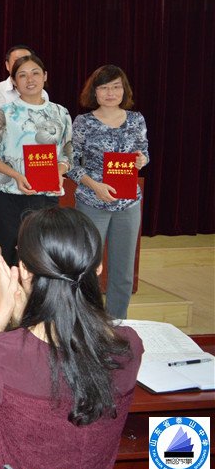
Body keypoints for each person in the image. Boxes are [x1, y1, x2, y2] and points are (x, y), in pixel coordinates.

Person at [0, 207, 144, 469]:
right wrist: (23, 321)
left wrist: (2, 311)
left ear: (24, 270)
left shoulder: (1, 352)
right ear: (98, 267)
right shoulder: (129, 345)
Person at [67, 65, 149, 319]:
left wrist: (142, 160)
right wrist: (95, 186)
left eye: (116, 87)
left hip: (128, 204)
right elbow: (71, 163)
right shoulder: (83, 122)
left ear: (124, 90)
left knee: (123, 271)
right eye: (104, 87)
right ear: (94, 91)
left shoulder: (136, 120)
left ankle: (116, 323)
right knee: (87, 268)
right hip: (92, 201)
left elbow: (143, 152)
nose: (110, 93)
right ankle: (87, 322)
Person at [0, 54, 72, 268]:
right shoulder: (4, 113)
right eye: (22, 75)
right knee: (3, 262)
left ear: (45, 76)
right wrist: (16, 175)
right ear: (14, 81)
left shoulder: (61, 113)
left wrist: (58, 171)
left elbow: (67, 155)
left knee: (41, 261)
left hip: (45, 197)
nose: (30, 79)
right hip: (9, 196)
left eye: (35, 73)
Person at [0, 44, 48, 129]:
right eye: (17, 60)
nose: (22, 64)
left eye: (26, 59)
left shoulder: (42, 93)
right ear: (7, 65)